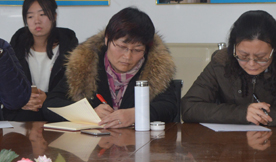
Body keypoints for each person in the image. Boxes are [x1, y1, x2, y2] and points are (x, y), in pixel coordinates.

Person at [44, 7, 179, 128]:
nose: (127, 56)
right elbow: (50, 105)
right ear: (107, 39)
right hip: (96, 144)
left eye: (137, 50)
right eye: (121, 47)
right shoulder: (85, 65)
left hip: (137, 143)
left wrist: (137, 114)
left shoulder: (156, 69)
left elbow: (170, 107)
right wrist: (89, 113)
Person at [6, 0, 78, 121]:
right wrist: (22, 100)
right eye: (30, 16)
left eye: (42, 14)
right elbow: (7, 87)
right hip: (23, 119)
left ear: (54, 16)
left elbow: (74, 91)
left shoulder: (70, 49)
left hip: (58, 118)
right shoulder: (16, 48)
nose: (37, 21)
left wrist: (48, 98)